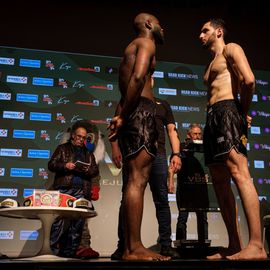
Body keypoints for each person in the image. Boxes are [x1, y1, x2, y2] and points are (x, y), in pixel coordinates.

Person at [108, 13, 178, 261]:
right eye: (159, 22)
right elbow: (137, 79)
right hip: (141, 111)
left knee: (133, 181)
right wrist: (125, 115)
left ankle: (129, 247)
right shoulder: (146, 42)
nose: (163, 27)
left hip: (132, 111)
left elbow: (126, 89)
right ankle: (134, 247)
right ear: (149, 24)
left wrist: (120, 116)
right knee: (138, 179)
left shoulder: (131, 47)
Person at [199, 18, 267, 260]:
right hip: (212, 117)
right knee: (219, 181)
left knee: (240, 174)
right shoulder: (210, 65)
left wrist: (243, 111)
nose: (200, 35)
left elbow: (248, 80)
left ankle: (257, 245)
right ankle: (235, 245)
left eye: (205, 30)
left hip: (228, 111)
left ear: (218, 32)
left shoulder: (231, 48)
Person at [110, 96, 182, 260]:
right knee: (127, 200)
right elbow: (115, 126)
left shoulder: (163, 104)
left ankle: (165, 245)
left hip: (159, 155)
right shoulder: (128, 100)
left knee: (162, 200)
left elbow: (171, 130)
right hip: (134, 153)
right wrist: (115, 149)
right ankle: (123, 245)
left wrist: (176, 154)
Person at [48, 120, 100, 258]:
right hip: (64, 188)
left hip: (81, 191)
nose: (81, 140)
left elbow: (94, 170)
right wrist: (65, 165)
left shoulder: (88, 154)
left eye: (84, 138)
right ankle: (52, 250)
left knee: (78, 222)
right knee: (57, 220)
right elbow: (52, 164)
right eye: (79, 137)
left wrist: (87, 169)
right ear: (72, 135)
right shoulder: (62, 148)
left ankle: (71, 252)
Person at [175, 123, 208, 243]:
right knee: (183, 216)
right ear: (189, 135)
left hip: (201, 187)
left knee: (203, 217)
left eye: (200, 134)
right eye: (195, 134)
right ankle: (180, 243)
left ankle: (204, 243)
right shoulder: (181, 147)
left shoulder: (206, 148)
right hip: (185, 187)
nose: (198, 136)